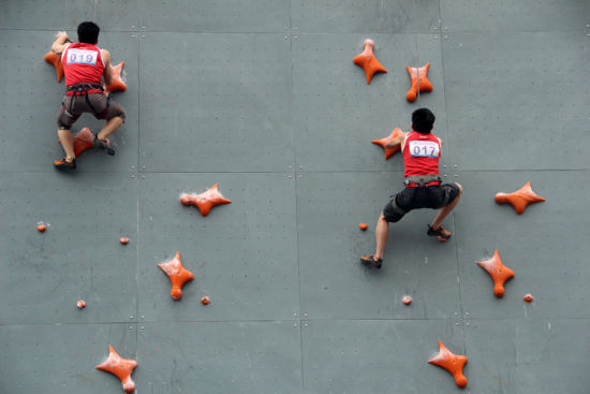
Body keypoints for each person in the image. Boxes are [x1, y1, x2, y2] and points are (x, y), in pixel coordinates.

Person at [361, 108, 463, 269]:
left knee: (384, 218)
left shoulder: (405, 137)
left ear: (412, 124)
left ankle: (377, 257)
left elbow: (388, 144)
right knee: (458, 188)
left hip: (411, 194)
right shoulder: (438, 141)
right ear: (432, 126)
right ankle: (435, 227)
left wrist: (401, 136)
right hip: (435, 194)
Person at [51, 21, 126, 169]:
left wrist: (63, 36)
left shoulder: (67, 48)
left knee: (63, 125)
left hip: (72, 98)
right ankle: (100, 137)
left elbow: (55, 48)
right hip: (95, 97)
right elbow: (109, 81)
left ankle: (69, 158)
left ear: (78, 37)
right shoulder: (102, 53)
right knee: (119, 115)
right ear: (97, 40)